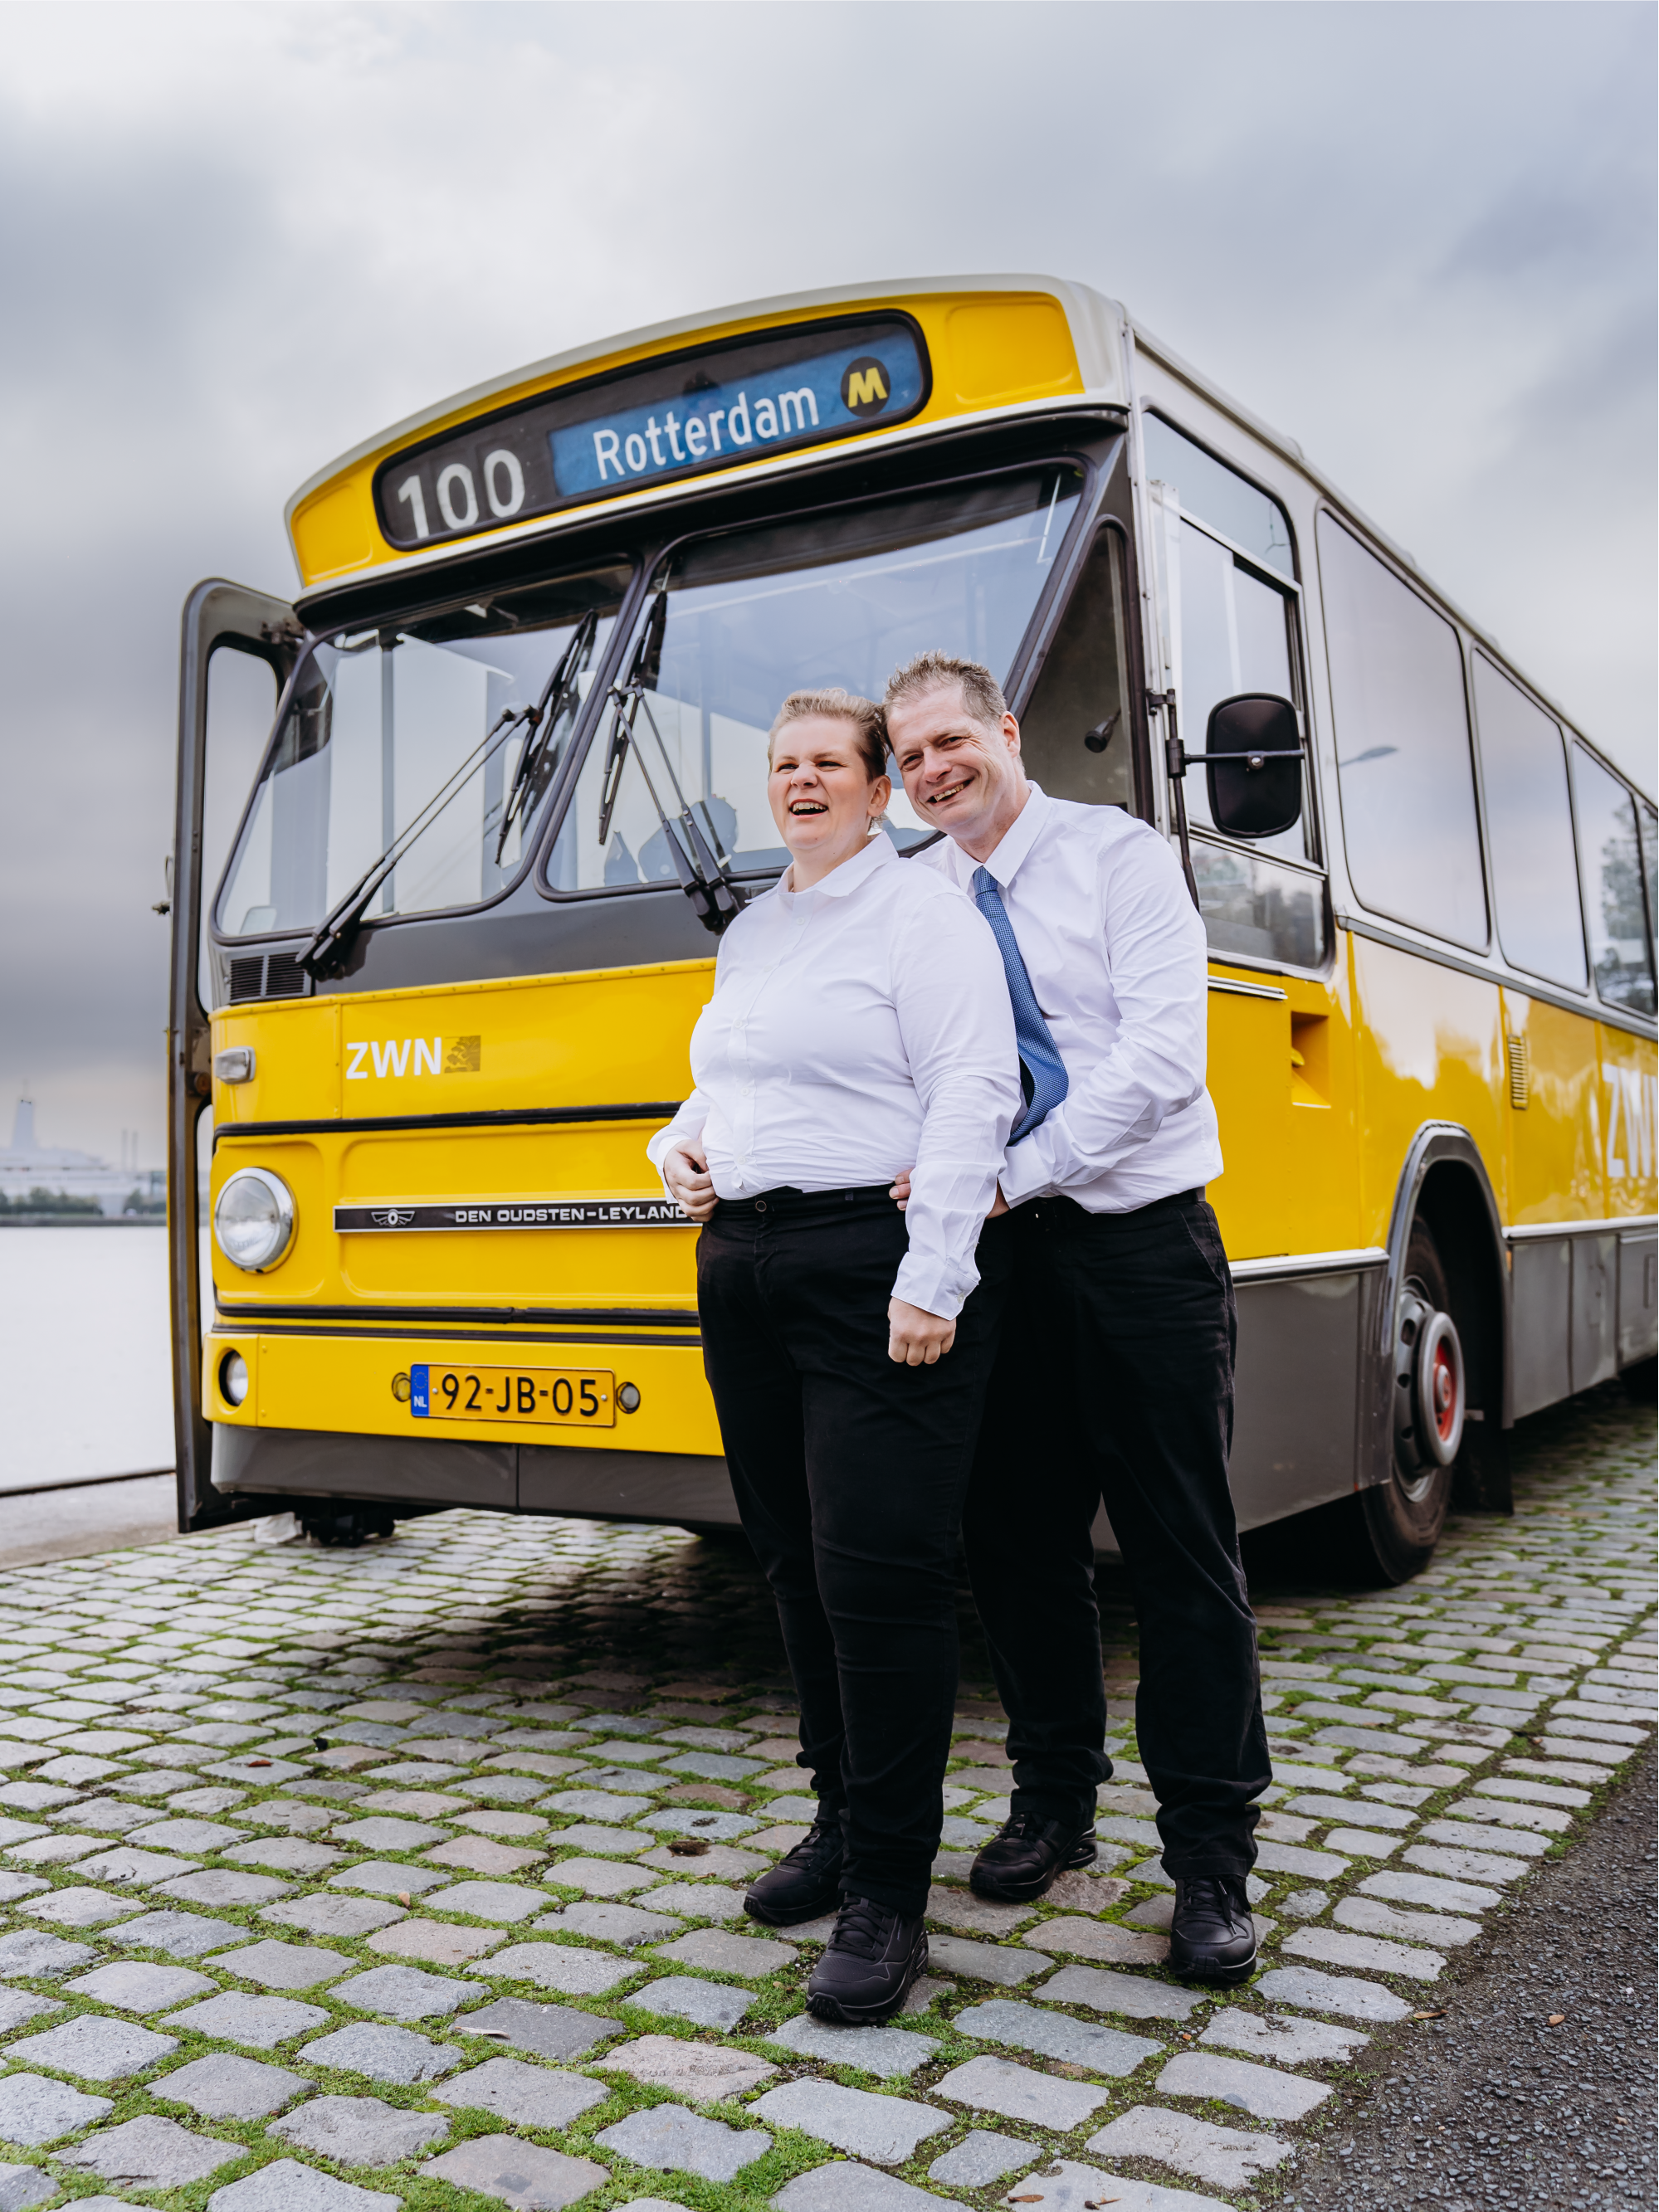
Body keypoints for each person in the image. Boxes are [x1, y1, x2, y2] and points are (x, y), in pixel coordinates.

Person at [885, 649, 1270, 1985]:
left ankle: (1210, 1858)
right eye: (909, 758)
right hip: (1003, 1258)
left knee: (1179, 1551)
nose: (932, 771)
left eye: (950, 742)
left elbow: (1162, 1059)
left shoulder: (1116, 857)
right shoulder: (911, 895)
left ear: (1003, 729)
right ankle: (1054, 1802)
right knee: (1015, 1542)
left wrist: (1008, 1171)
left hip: (1138, 1243)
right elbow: (904, 1057)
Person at [648, 686, 1020, 2023]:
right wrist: (677, 1147)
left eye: (828, 764)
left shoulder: (925, 914)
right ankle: (836, 1819)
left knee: (879, 1579)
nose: (802, 781)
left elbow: (974, 1085)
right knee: (794, 1562)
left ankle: (889, 1896)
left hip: (873, 1268)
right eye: (783, 764)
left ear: (876, 789)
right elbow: (730, 1078)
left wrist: (934, 1276)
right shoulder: (755, 928)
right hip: (742, 1264)